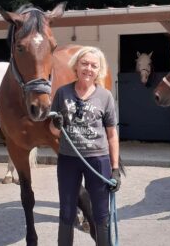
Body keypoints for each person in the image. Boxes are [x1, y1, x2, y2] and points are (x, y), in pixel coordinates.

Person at [49, 46, 120, 245]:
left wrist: (114, 169)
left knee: (101, 212)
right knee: (67, 211)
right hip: (68, 160)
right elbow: (54, 132)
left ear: (99, 70)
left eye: (94, 66)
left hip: (98, 160)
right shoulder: (63, 93)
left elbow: (112, 135)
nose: (88, 69)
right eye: (84, 63)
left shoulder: (105, 96)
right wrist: (56, 124)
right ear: (76, 66)